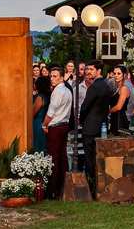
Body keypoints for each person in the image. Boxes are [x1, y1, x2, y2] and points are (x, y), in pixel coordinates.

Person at [78, 60, 111, 195]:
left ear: (99, 71)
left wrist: (81, 119)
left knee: (90, 158)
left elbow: (85, 106)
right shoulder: (105, 85)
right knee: (98, 157)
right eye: (88, 69)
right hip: (101, 125)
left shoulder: (95, 86)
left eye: (91, 69)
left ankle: (91, 186)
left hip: (91, 126)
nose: (88, 72)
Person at [42, 66, 72, 199]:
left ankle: (52, 189)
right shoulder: (67, 90)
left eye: (54, 76)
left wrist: (44, 124)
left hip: (56, 126)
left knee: (54, 158)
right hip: (64, 125)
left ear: (61, 78)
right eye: (51, 76)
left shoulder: (58, 92)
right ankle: (62, 186)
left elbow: (51, 112)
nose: (52, 79)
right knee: (62, 157)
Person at [108, 64, 130, 133]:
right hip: (114, 118)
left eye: (119, 73)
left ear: (124, 75)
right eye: (114, 74)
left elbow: (118, 107)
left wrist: (107, 111)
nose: (116, 76)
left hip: (120, 119)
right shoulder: (117, 88)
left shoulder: (124, 88)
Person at [32, 74, 49, 152]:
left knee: (38, 145)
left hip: (38, 123)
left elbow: (33, 113)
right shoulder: (46, 96)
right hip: (41, 122)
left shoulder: (40, 98)